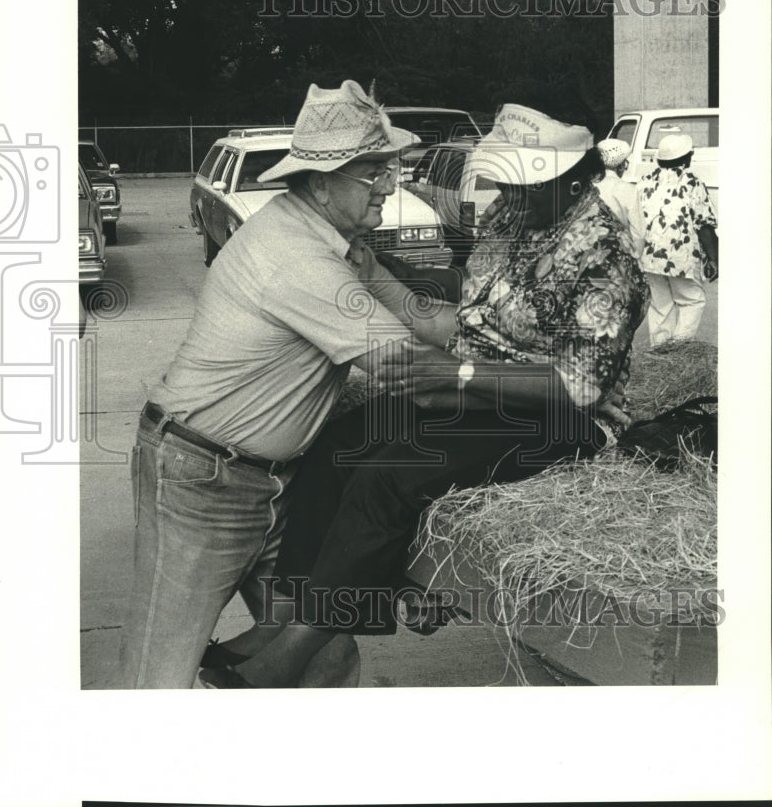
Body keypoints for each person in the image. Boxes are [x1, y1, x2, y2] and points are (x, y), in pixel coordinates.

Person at [198, 98, 650, 689]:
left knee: (394, 473)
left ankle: (300, 645)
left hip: (557, 416)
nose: (505, 198)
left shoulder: (603, 257)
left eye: (521, 187)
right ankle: (283, 617)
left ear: (567, 183)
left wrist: (456, 376)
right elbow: (468, 319)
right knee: (339, 444)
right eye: (502, 184)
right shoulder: (513, 223)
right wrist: (380, 281)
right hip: (484, 393)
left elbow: (579, 386)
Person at [119, 79, 457, 688]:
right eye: (373, 172)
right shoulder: (299, 261)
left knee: (324, 657)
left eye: (392, 167)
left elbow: (426, 322)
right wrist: (544, 383)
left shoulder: (334, 242)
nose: (390, 184)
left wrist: (507, 325)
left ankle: (307, 779)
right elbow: (416, 373)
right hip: (203, 481)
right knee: (159, 674)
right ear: (321, 183)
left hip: (269, 483)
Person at [638, 133, 718, 347]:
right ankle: (679, 351)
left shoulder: (644, 182)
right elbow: (704, 225)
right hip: (681, 257)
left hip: (649, 257)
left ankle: (661, 352)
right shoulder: (691, 182)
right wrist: (713, 258)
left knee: (660, 306)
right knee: (692, 300)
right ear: (686, 158)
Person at [595, 138, 645, 258]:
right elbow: (638, 233)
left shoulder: (589, 184)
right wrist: (636, 257)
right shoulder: (629, 190)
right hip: (618, 252)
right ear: (621, 165)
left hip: (591, 250)